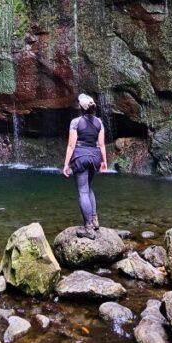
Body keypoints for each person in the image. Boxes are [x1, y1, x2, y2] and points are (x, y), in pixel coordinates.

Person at [62, 93, 108, 237]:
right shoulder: (99, 122)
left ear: (81, 108)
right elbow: (101, 144)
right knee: (88, 188)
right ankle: (94, 220)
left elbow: (71, 145)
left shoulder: (75, 122)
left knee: (82, 191)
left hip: (80, 157)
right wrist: (104, 161)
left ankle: (88, 228)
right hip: (95, 157)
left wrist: (66, 164)